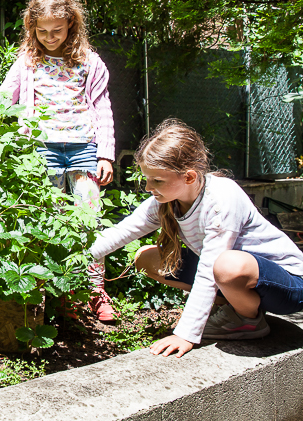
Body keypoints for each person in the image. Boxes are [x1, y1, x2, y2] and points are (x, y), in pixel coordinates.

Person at [90, 118, 303, 358]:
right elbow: (121, 232)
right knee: (146, 258)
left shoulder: (222, 198)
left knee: (227, 265)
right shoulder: (166, 200)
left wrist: (186, 334)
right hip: (237, 278)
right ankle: (231, 307)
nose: (148, 187)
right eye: (147, 179)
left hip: (289, 285)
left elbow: (209, 269)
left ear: (189, 177)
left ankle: (247, 321)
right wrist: (76, 259)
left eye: (157, 180)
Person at [0, 0, 117, 321]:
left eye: (57, 30)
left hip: (82, 149)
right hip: (42, 149)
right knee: (46, 218)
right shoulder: (27, 62)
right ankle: (57, 292)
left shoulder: (90, 63)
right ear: (32, 28)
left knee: (88, 217)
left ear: (71, 26)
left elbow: (102, 108)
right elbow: (5, 97)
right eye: (43, 31)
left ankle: (94, 290)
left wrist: (105, 154)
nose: (50, 37)